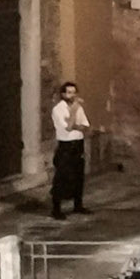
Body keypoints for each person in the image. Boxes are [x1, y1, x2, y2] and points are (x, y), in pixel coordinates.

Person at [50, 80, 90, 218]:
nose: (72, 95)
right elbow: (67, 127)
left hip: (78, 143)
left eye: (74, 92)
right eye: (69, 92)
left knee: (79, 175)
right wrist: (73, 114)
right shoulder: (58, 109)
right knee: (62, 176)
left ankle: (78, 205)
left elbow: (84, 125)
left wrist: (74, 123)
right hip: (65, 145)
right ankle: (56, 209)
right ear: (63, 94)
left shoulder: (79, 108)